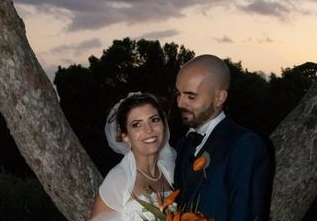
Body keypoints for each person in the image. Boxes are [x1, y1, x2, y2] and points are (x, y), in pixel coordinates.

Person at [174, 54, 274, 221]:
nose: (180, 103)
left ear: (219, 98)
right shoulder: (180, 145)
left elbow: (244, 214)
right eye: (178, 94)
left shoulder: (244, 144)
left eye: (191, 96)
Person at [91, 92, 176, 221]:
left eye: (154, 120)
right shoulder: (119, 179)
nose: (149, 130)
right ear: (125, 136)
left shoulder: (168, 171)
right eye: (137, 124)